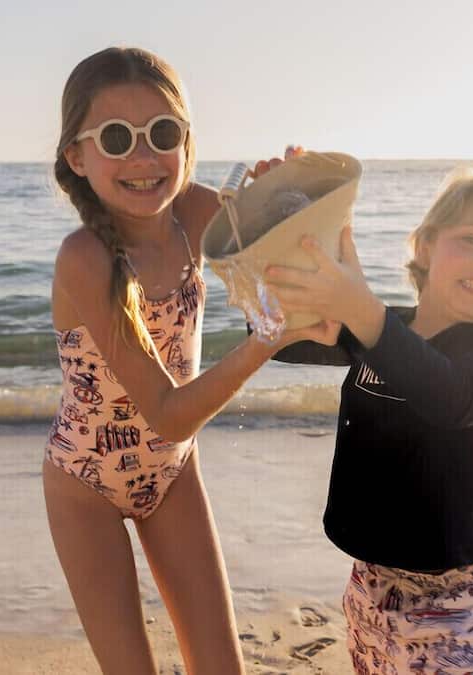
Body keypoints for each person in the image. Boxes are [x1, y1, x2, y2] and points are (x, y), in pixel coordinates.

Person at [43, 46, 330, 675]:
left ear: (187, 142)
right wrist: (265, 341)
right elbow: (169, 413)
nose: (144, 158)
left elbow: (298, 276)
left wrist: (293, 200)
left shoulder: (198, 212)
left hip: (173, 477)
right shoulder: (84, 258)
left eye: (162, 133)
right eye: (116, 138)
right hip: (84, 487)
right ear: (77, 156)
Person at [264, 166, 473, 674]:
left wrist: (364, 311)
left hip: (462, 604)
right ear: (424, 247)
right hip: (372, 590)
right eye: (471, 239)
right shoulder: (384, 328)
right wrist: (281, 221)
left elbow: (451, 398)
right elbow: (277, 336)